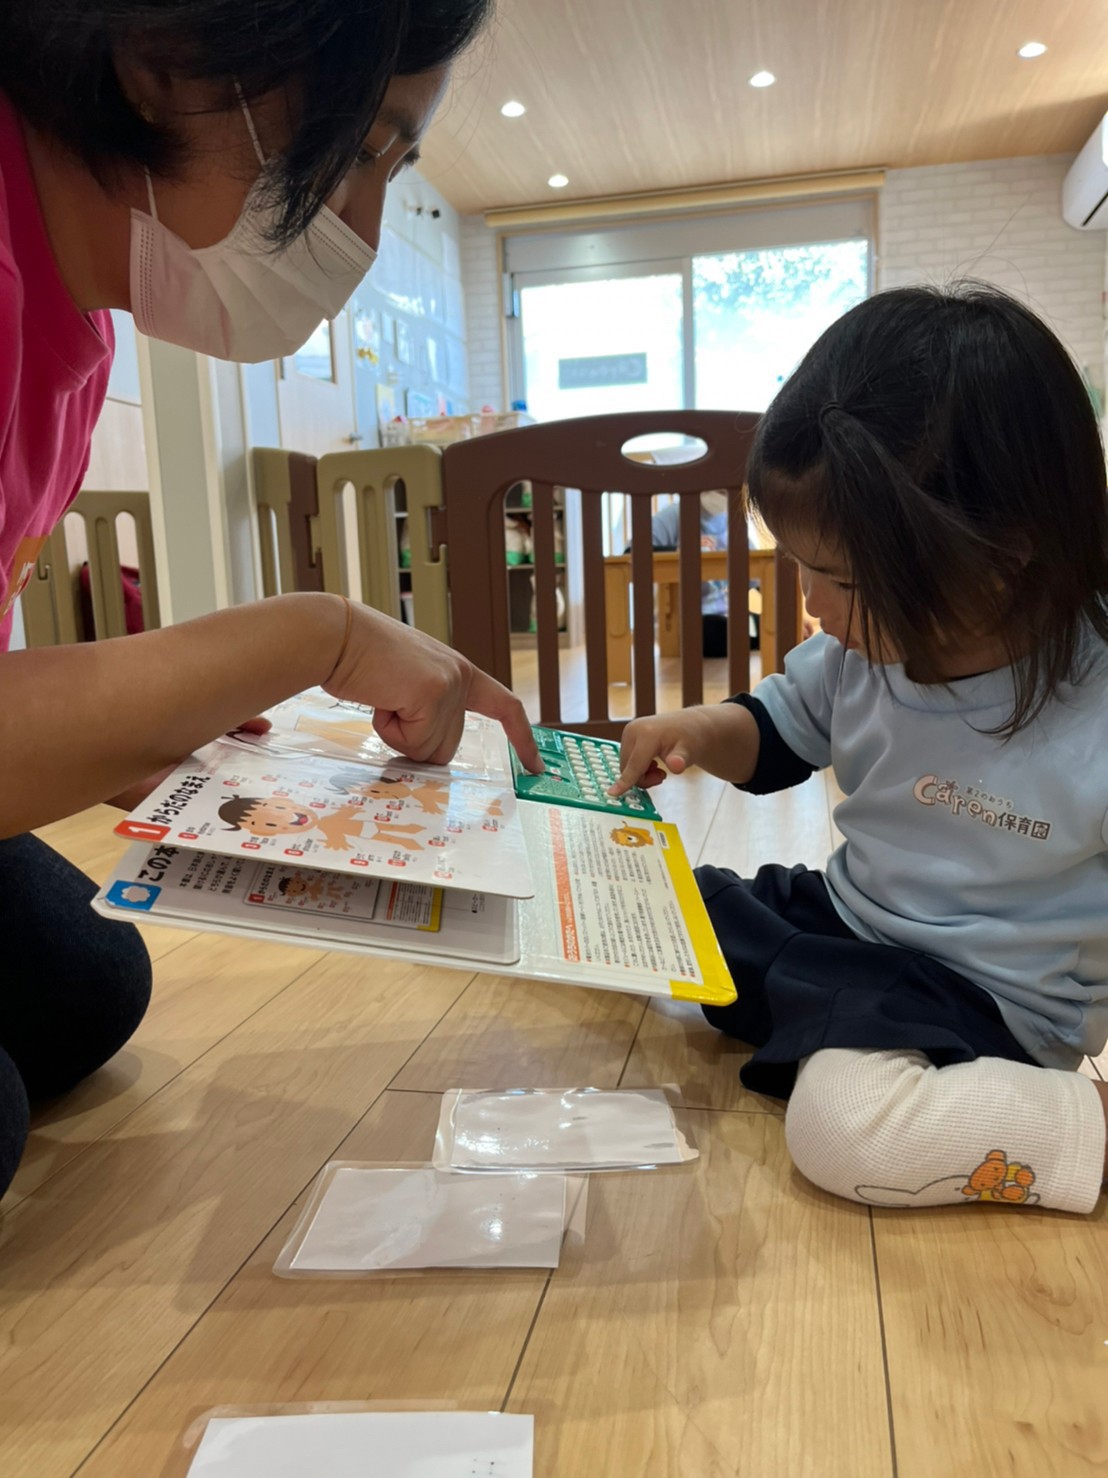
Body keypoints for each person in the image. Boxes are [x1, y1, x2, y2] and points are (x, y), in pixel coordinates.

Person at [0, 0, 542, 1202]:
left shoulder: (76, 331)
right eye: (363, 150)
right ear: (166, 59)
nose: (362, 231)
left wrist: (154, 735)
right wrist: (316, 634)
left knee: (88, 986)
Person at [612, 284, 1108, 1214]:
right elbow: (774, 738)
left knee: (842, 1127)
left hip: (983, 1002)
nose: (812, 606)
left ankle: (1083, 1126)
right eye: (801, 568)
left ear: (1005, 551)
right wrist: (697, 730)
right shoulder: (858, 654)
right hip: (850, 923)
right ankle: (807, 1003)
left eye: (841, 579)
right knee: (657, 899)